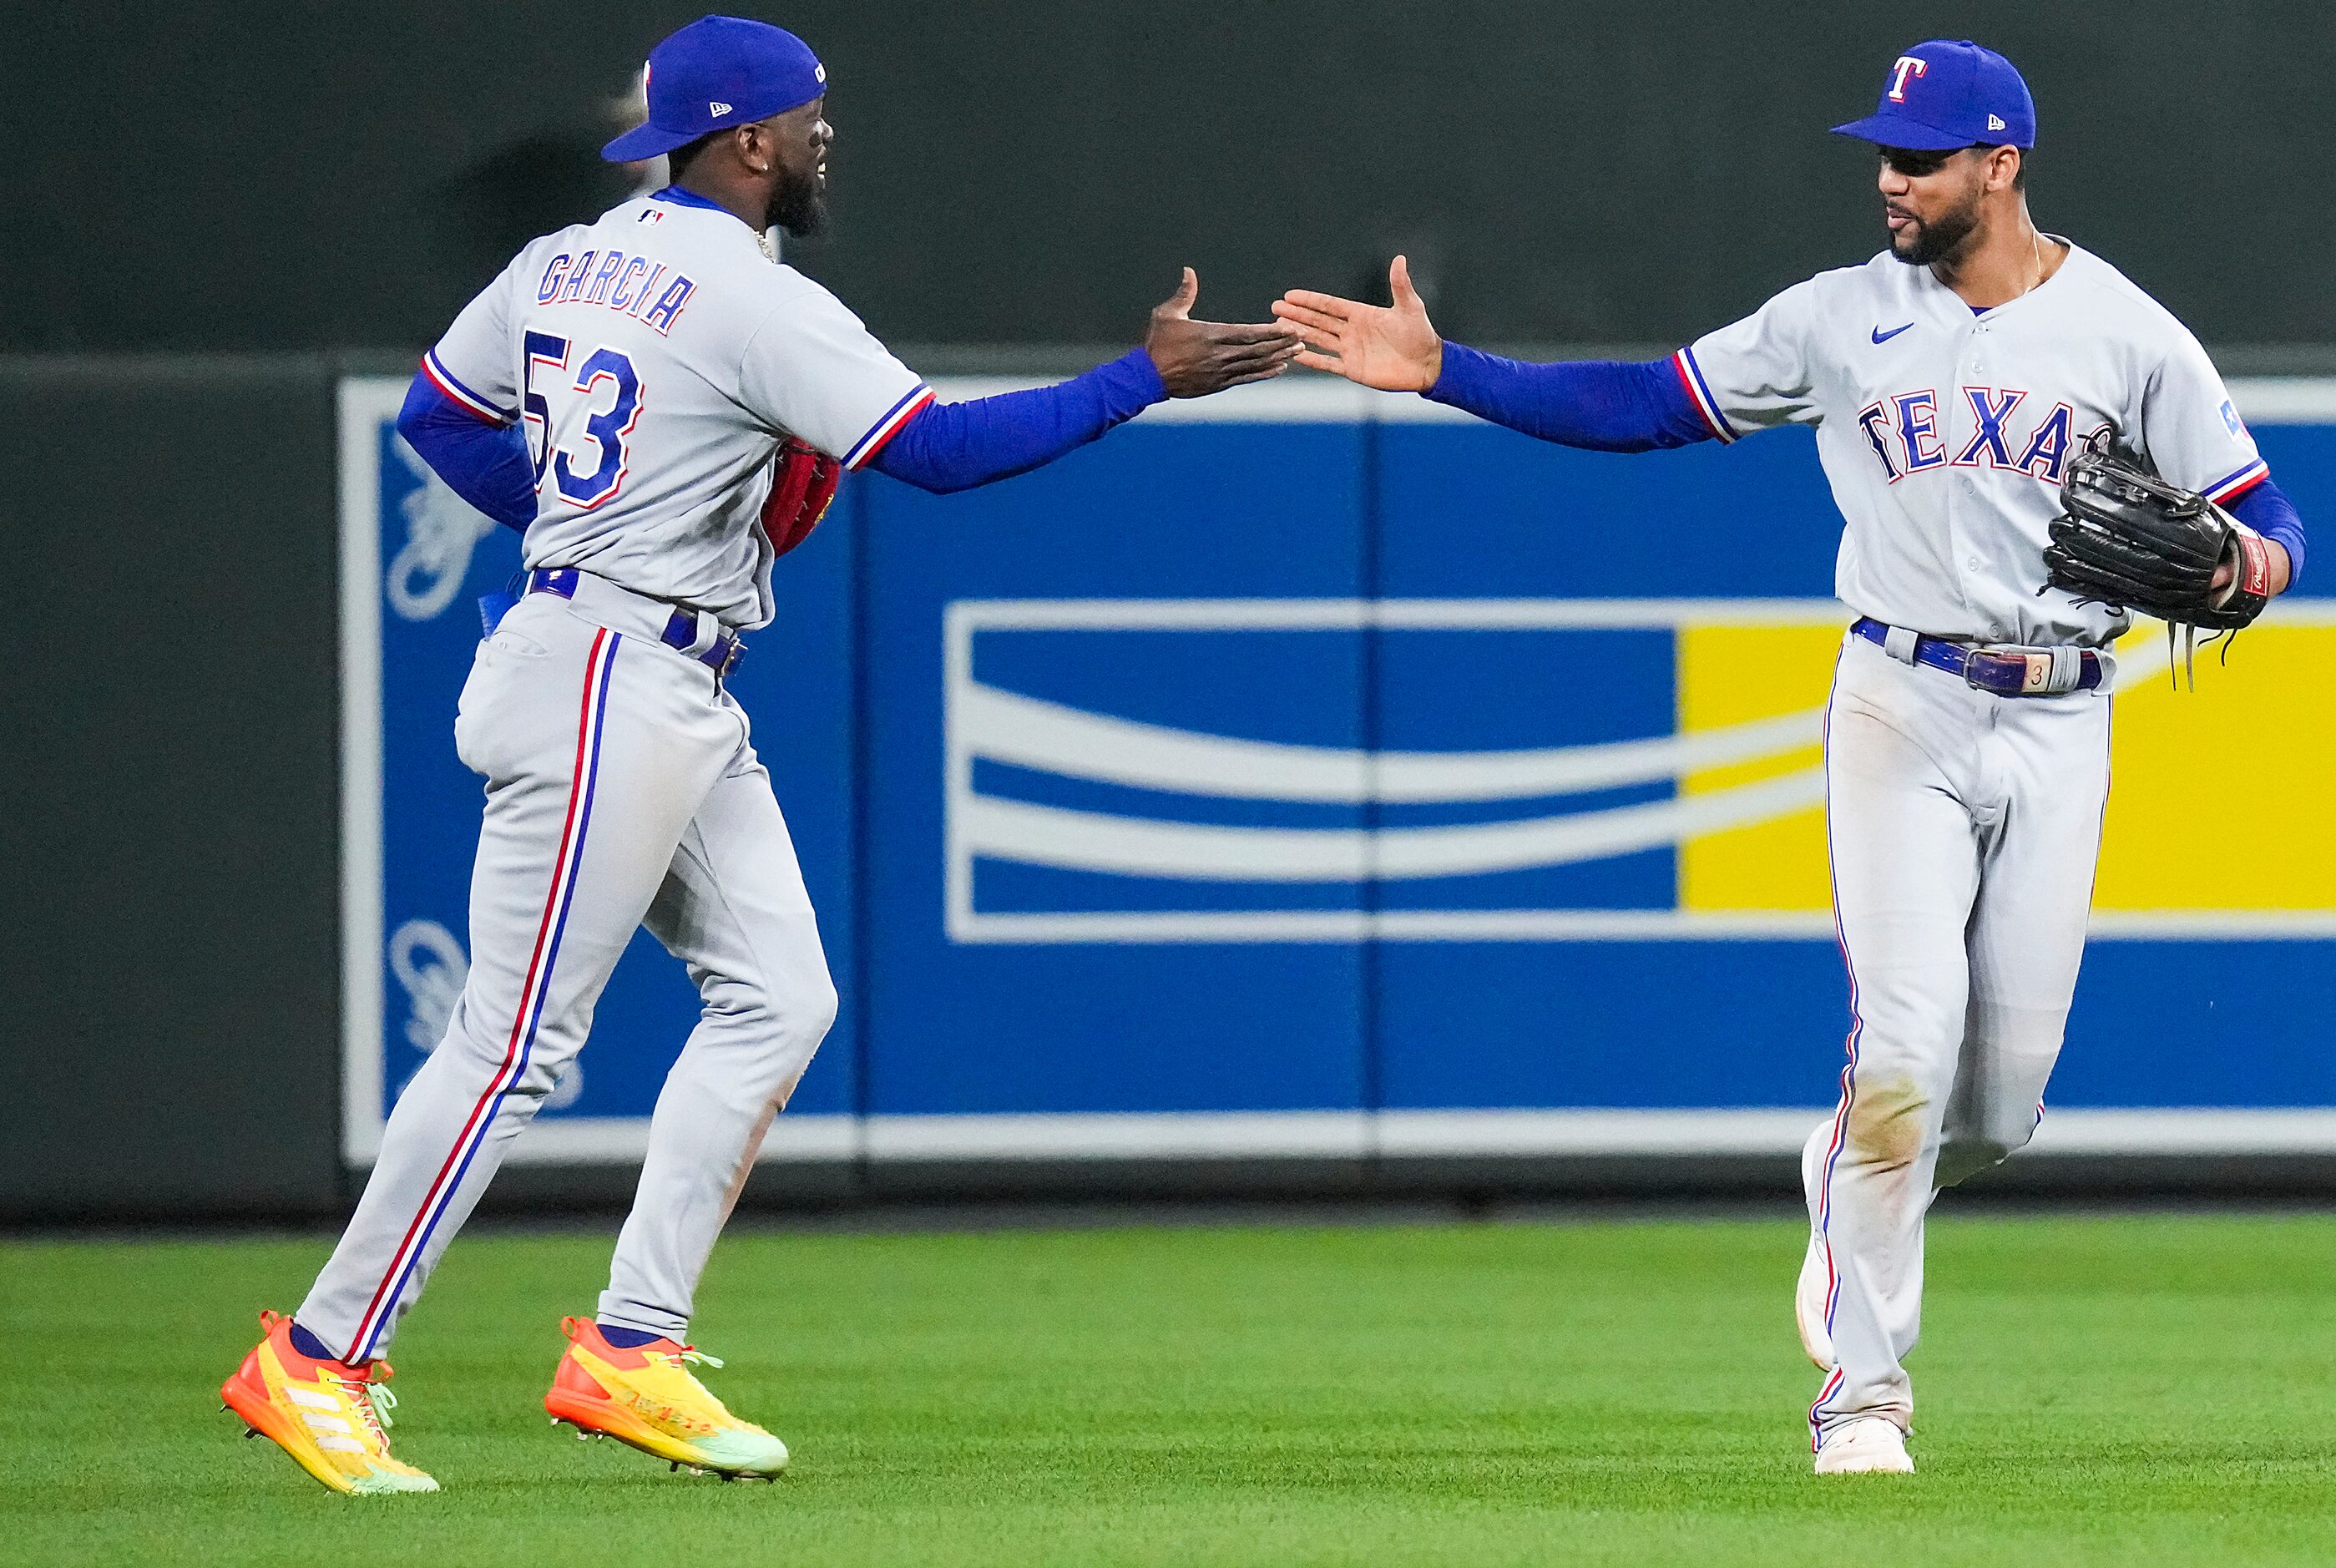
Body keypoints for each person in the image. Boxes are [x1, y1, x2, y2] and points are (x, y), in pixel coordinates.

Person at [220, 13, 1297, 1496]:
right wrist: (1140, 379)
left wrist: (579, 520)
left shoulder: (563, 259)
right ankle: (321, 1354)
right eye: (807, 117)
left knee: (779, 994)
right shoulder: (745, 293)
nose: (822, 136)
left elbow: (438, 414)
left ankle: (629, 1347)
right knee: (513, 1040)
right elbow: (940, 452)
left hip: (646, 670)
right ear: (746, 141)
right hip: (610, 675)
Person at [1274, 38, 2306, 1475]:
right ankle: (1863, 1399)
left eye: (1919, 157)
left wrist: (2249, 563)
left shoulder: (2129, 332)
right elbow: (1645, 406)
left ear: (1998, 166)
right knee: (1900, 1049)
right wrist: (1450, 372)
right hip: (1902, 701)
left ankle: (1846, 1176)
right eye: (1883, 153)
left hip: (2066, 714)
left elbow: (2270, 523)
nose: (1889, 180)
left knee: (1997, 1103)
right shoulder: (1836, 319)